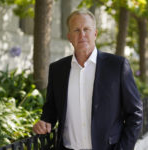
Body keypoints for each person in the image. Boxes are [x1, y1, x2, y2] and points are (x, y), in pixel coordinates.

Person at [33, 10, 143, 150]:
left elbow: (135, 113)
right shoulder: (57, 70)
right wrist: (44, 122)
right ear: (69, 36)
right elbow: (51, 109)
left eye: (86, 29)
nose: (82, 35)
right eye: (76, 30)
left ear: (95, 33)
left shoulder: (117, 66)